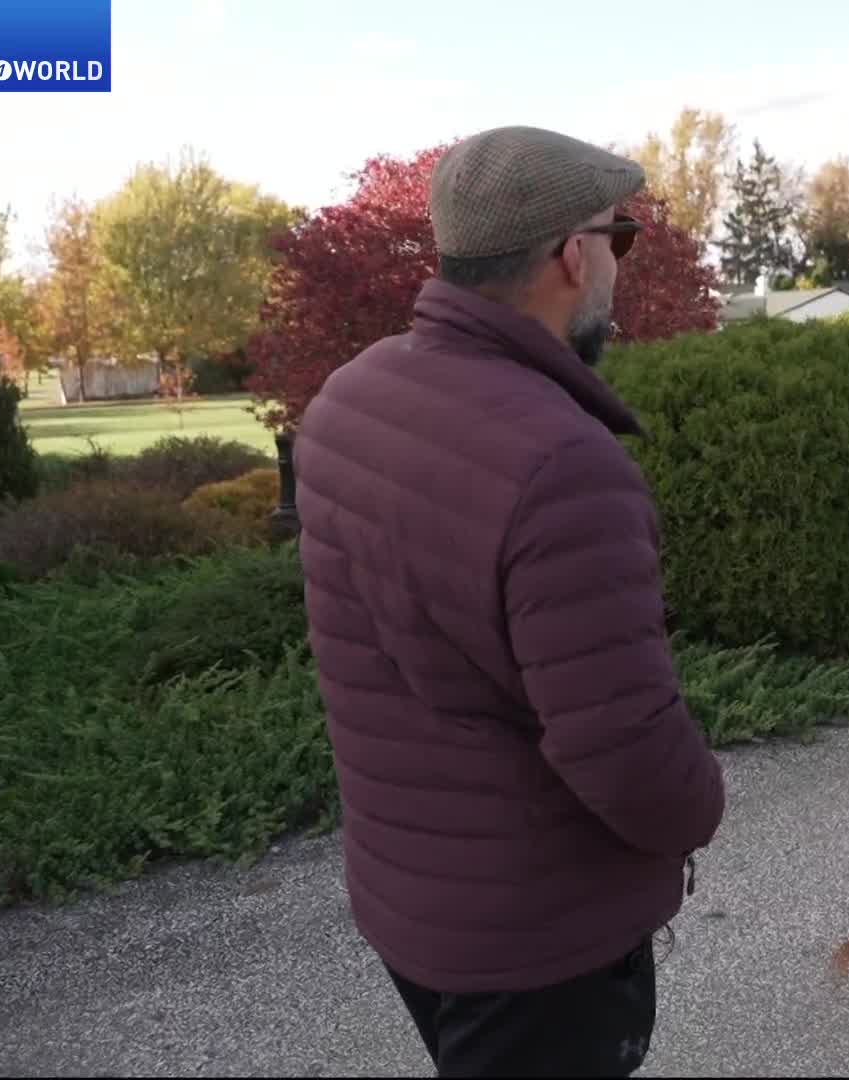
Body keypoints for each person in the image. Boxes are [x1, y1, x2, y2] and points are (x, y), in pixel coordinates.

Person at [293, 125, 726, 1077]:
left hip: (412, 902)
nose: (617, 265)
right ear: (575, 255)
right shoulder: (565, 464)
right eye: (620, 240)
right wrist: (700, 808)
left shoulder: (348, 399)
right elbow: (623, 749)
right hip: (536, 938)